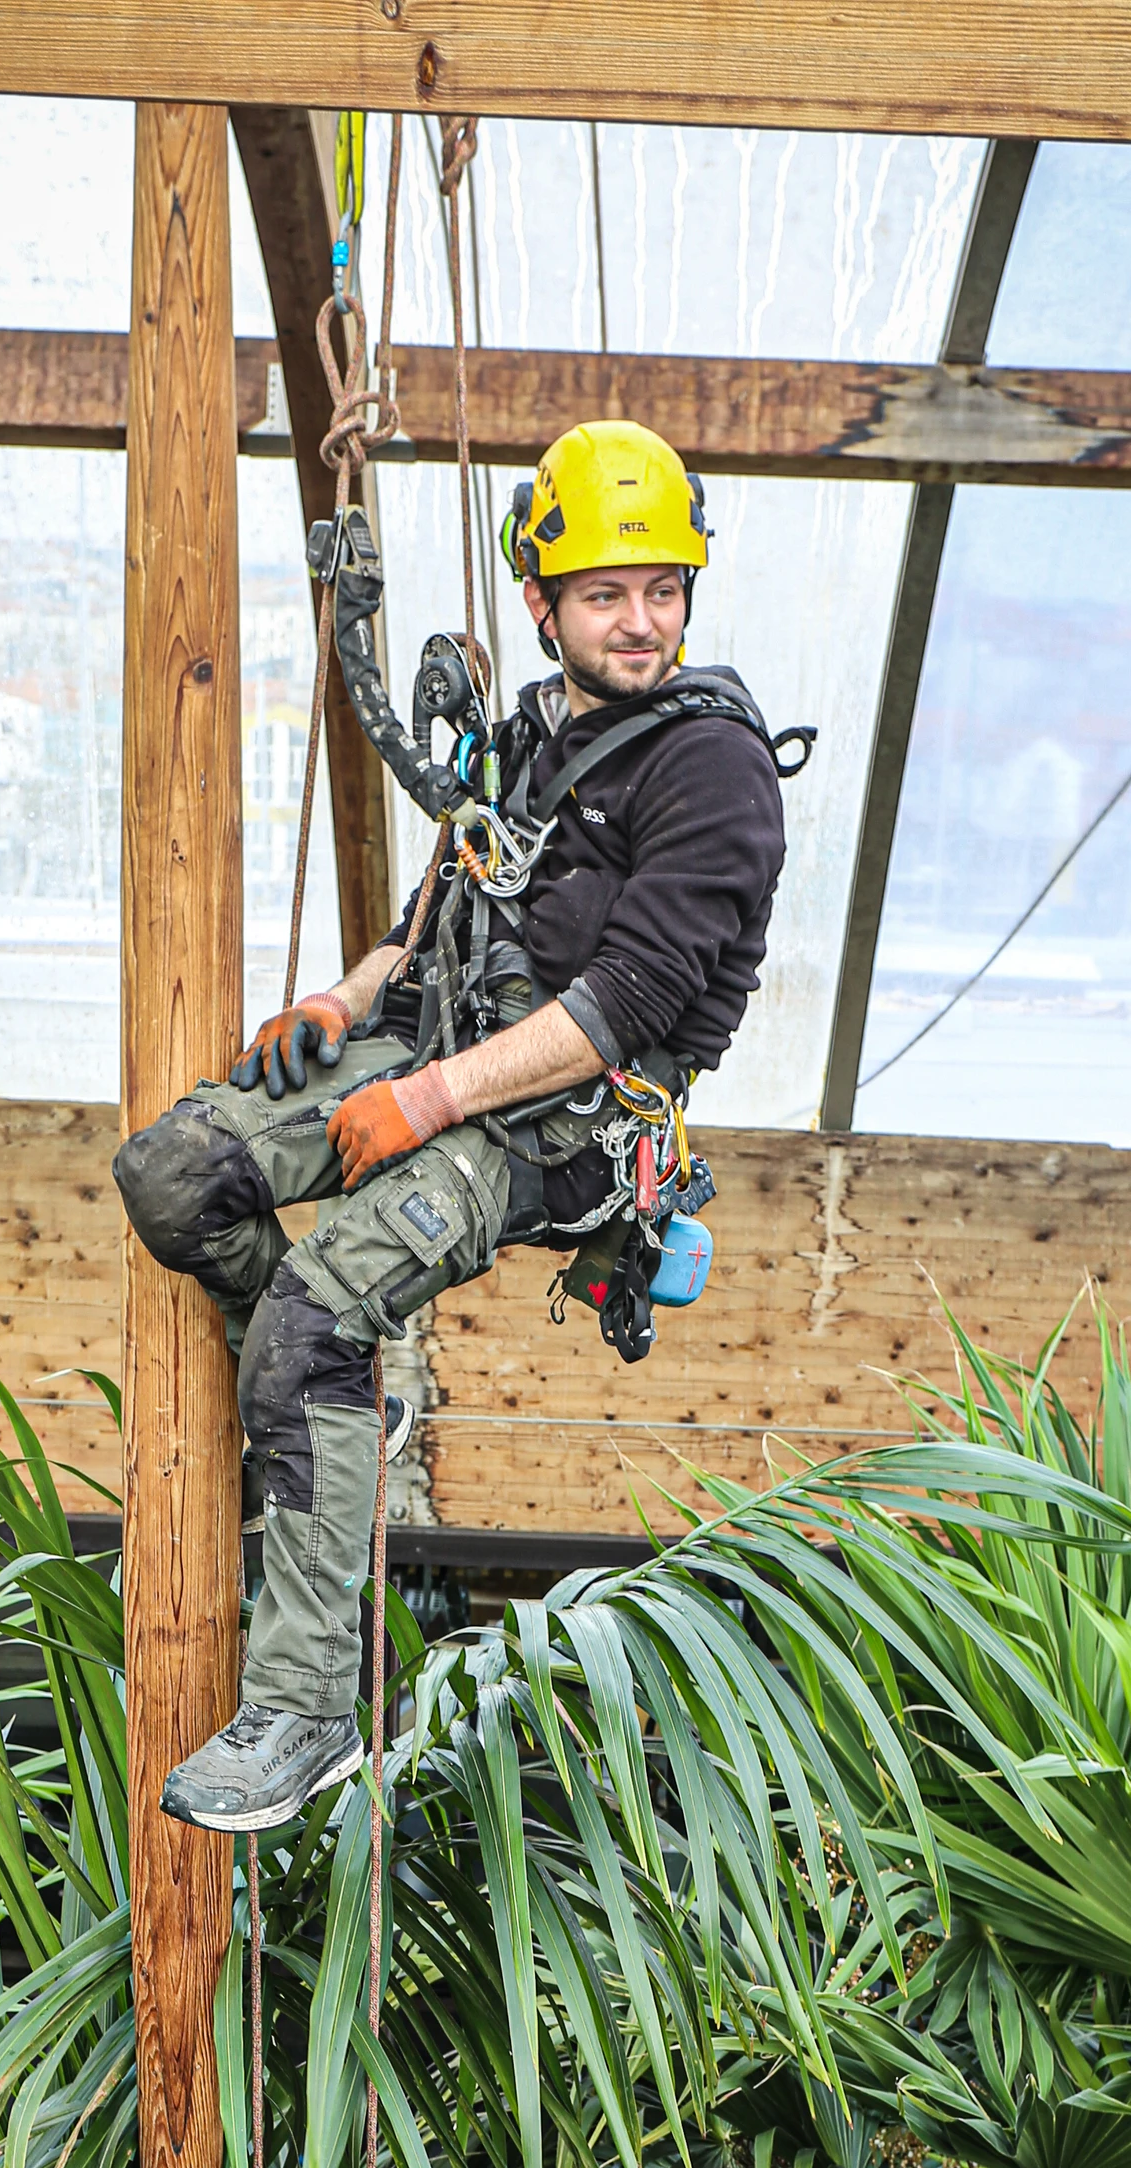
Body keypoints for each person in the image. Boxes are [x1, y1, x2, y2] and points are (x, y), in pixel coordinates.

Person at [115, 417, 789, 1832]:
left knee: (312, 1320)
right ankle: (331, 1407)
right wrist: (352, 994)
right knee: (177, 1176)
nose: (643, 621)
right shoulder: (536, 733)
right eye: (608, 593)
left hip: (559, 1131)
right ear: (540, 604)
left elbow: (620, 1007)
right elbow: (460, 892)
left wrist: (421, 1097)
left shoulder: (709, 771)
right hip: (436, 1037)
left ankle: (304, 1711)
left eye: (664, 588)